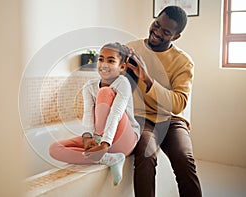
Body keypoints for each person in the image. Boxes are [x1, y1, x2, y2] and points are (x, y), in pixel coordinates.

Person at [125, 6, 202, 197]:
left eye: (166, 32)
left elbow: (178, 103)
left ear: (176, 37)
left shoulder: (183, 62)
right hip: (141, 119)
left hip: (171, 121)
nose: (157, 33)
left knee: (184, 158)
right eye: (156, 25)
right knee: (146, 153)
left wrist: (147, 79)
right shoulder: (131, 49)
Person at [49, 42, 140, 186]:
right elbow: (88, 115)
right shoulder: (89, 86)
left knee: (105, 93)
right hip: (100, 138)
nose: (104, 64)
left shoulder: (123, 83)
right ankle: (109, 159)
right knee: (54, 148)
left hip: (123, 139)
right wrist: (87, 137)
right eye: (101, 59)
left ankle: (105, 150)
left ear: (121, 67)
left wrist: (105, 143)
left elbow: (116, 114)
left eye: (111, 61)